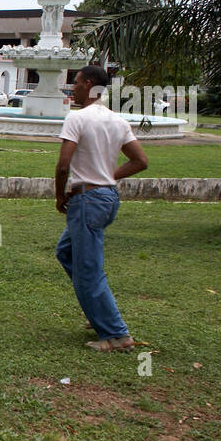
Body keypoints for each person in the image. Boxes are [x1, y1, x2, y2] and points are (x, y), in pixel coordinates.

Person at [54, 65, 149, 351]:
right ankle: (95, 309)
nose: (73, 88)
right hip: (107, 198)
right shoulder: (117, 121)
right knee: (66, 251)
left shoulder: (77, 118)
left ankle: (116, 335)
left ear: (90, 84)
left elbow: (62, 166)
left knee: (88, 268)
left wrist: (59, 196)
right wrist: (108, 177)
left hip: (88, 201)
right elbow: (140, 161)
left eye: (77, 82)